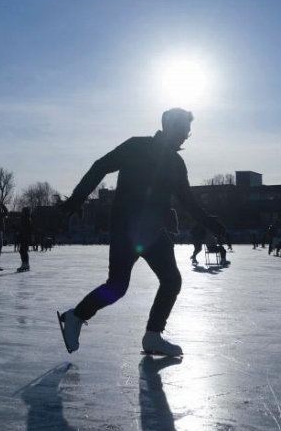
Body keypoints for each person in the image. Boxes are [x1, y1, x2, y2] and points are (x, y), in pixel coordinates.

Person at [57, 108, 227, 357]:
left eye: (188, 133)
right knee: (117, 286)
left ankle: (153, 336)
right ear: (170, 127)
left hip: (153, 233)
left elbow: (188, 201)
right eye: (184, 131)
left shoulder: (176, 164)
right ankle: (76, 316)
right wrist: (78, 198)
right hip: (126, 228)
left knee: (171, 281)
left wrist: (210, 222)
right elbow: (101, 166)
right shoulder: (137, 146)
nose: (186, 137)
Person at [16, 207, 32, 272]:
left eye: (23, 211)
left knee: (23, 251)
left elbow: (25, 229)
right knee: (23, 251)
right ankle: (26, 264)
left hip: (24, 237)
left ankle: (24, 264)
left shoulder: (25, 219)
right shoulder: (27, 219)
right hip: (25, 237)